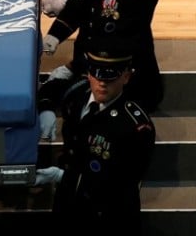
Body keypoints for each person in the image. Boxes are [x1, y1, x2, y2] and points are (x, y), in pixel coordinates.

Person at [35, 41, 155, 233]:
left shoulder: (135, 126)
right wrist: (46, 108)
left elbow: (120, 185)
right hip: (68, 204)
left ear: (126, 76)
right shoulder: (77, 95)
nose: (101, 83)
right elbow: (49, 88)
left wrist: (63, 177)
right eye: (96, 74)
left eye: (110, 77)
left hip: (107, 217)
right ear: (88, 73)